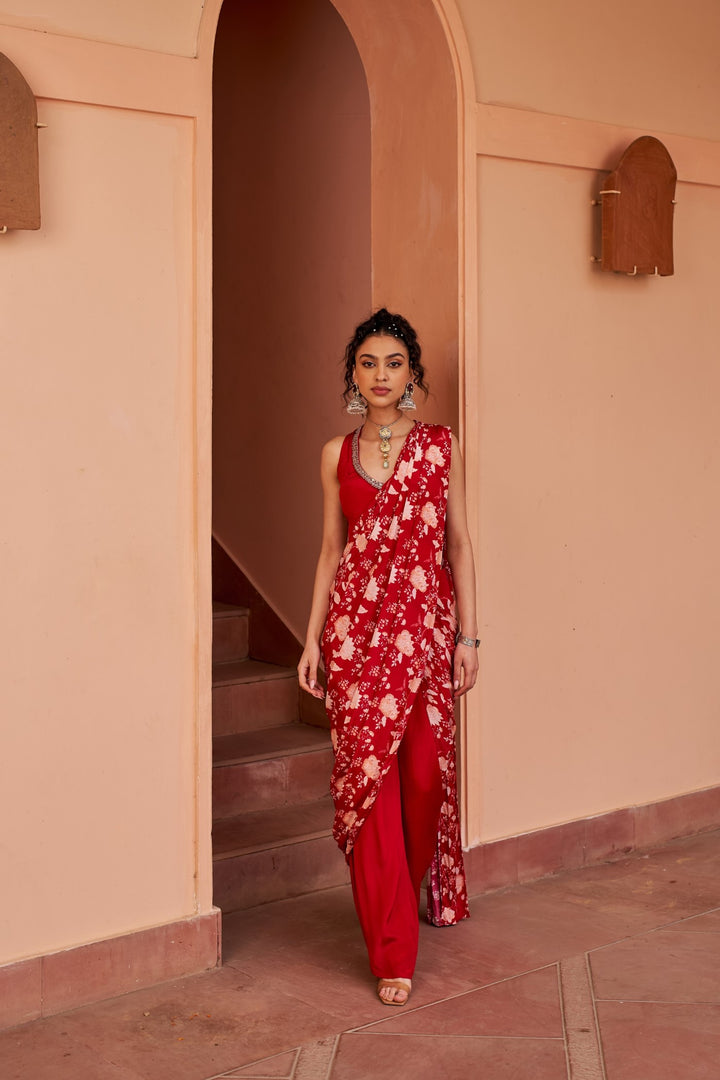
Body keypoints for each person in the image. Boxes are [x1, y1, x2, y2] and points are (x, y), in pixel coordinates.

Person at [298, 308, 479, 1007]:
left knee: (425, 778)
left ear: (412, 373)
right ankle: (393, 948)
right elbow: (330, 552)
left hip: (427, 637)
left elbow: (458, 545)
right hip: (354, 638)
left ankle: (407, 888)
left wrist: (468, 635)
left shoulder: (440, 448)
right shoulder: (333, 455)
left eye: (393, 363)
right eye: (368, 363)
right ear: (353, 372)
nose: (380, 375)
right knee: (371, 792)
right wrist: (313, 639)